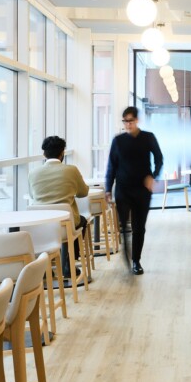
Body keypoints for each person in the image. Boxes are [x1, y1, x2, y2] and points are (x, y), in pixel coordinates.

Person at [105, 106, 163, 275]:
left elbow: (159, 158)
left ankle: (136, 260)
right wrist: (108, 188)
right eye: (125, 121)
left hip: (142, 190)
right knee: (124, 226)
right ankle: (127, 254)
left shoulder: (148, 137)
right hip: (123, 189)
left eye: (130, 121)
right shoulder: (118, 141)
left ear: (137, 120)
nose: (127, 124)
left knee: (139, 227)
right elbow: (111, 166)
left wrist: (153, 176)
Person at [29, 135, 90, 278]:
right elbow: (83, 192)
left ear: (44, 154)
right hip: (65, 226)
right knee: (82, 221)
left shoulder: (33, 173)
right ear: (62, 152)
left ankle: (44, 267)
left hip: (41, 226)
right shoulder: (71, 170)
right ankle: (68, 264)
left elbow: (33, 196)